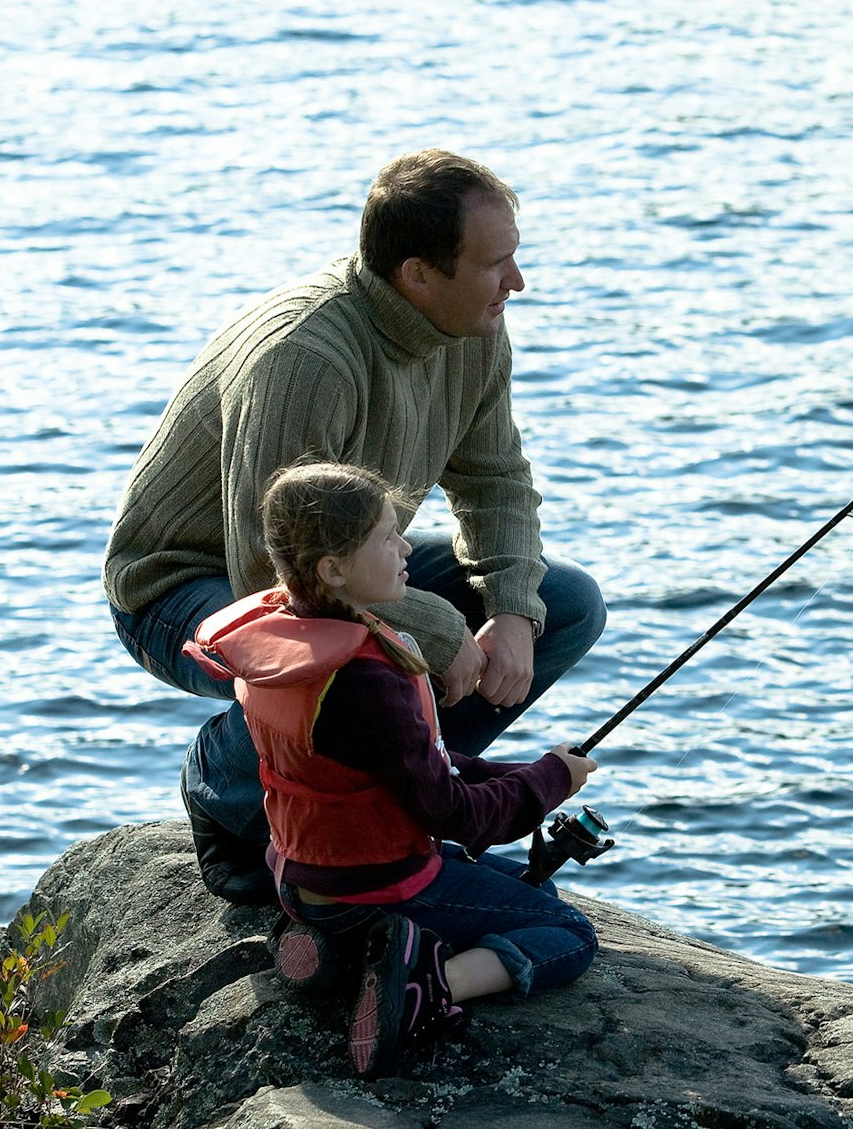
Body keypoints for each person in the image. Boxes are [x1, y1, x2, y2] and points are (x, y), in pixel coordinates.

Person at [103, 150, 605, 902]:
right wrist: (431, 631)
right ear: (418, 274)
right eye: (496, 263)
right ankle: (227, 782)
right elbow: (275, 584)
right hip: (187, 585)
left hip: (340, 569)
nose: (517, 283)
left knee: (563, 602)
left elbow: (495, 478)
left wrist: (510, 611)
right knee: (355, 658)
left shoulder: (471, 328)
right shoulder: (305, 358)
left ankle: (406, 809)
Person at [183, 461, 599, 1077]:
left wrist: (515, 772)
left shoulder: (285, 642)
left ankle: (337, 957)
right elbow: (453, 814)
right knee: (565, 930)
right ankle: (427, 986)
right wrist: (549, 782)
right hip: (379, 881)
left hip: (303, 882)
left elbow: (402, 763)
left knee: (520, 882)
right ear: (334, 569)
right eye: (386, 536)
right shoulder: (367, 681)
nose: (406, 545)